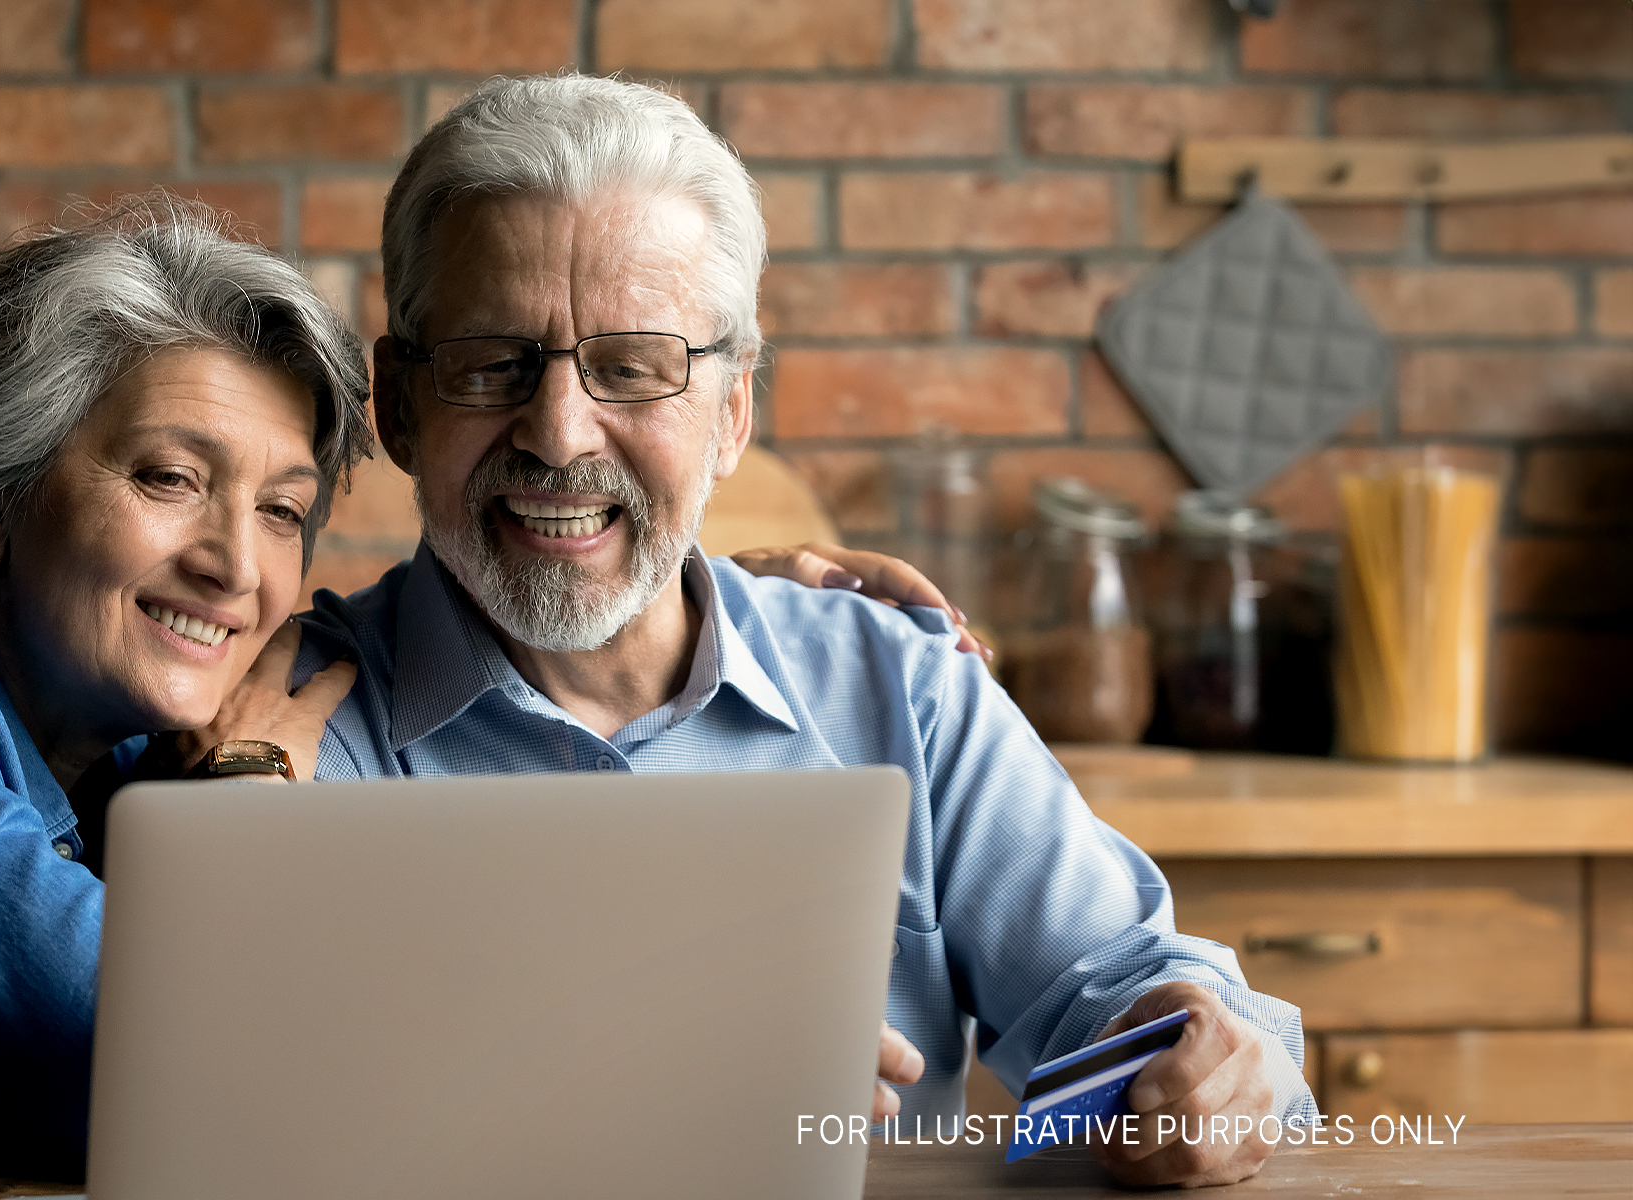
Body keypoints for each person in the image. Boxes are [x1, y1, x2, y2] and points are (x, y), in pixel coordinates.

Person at [0, 197, 968, 1176]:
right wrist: (683, 1037)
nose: (234, 566)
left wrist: (704, 584)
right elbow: (170, 1056)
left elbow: (436, 628)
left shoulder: (141, 723)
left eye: (282, 511)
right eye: (168, 480)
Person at [281, 75, 1313, 1188]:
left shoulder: (898, 682)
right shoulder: (286, 728)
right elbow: (264, 1119)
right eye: (495, 363)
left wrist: (1201, 1051)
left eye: (634, 367)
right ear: (397, 404)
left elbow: (1125, 993)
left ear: (730, 413)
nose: (559, 431)